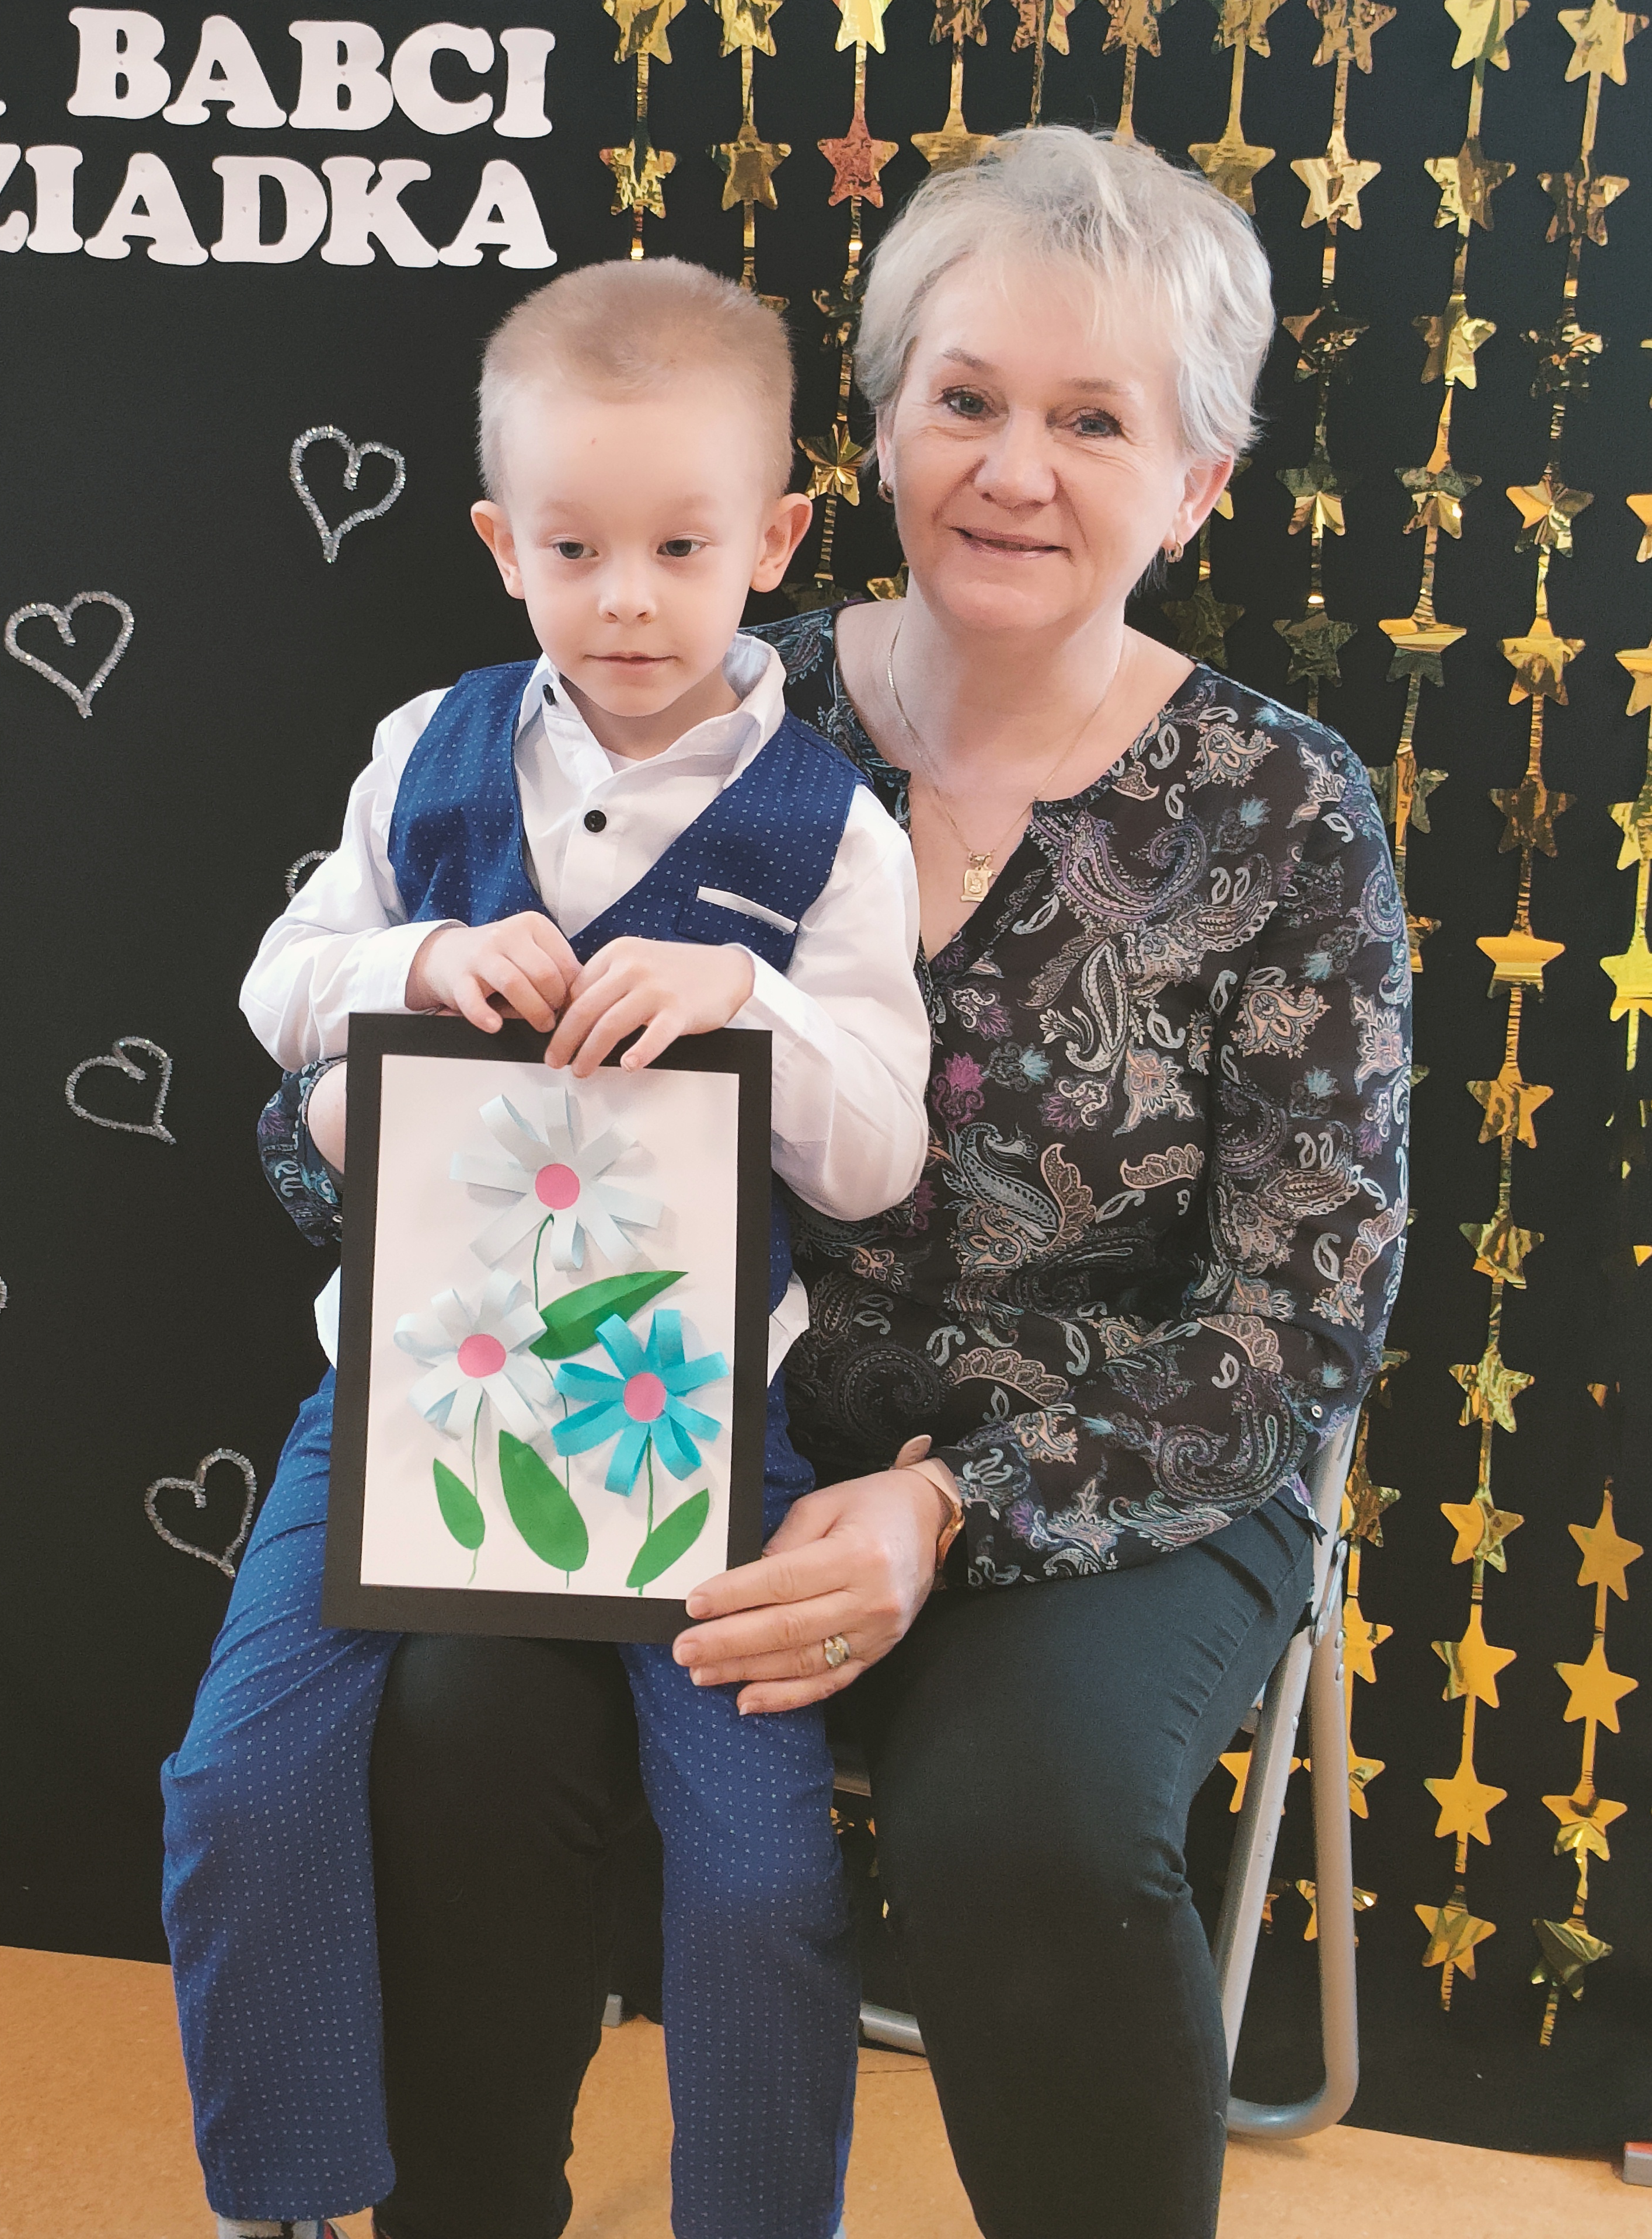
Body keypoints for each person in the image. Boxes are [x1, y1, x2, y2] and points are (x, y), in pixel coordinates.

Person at [280, 127, 1410, 2239]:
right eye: (962, 397)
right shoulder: (688, 689)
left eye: (1094, 422)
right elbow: (337, 1105)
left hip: (1094, 1482)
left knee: (1027, 1826)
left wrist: (943, 1504)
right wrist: (414, 1080)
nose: (1011, 468)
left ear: (1195, 486)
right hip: (670, 1433)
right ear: (873, 431)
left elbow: (1297, 1316)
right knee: (460, 1713)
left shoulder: (1278, 809)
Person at [161, 257, 932, 2239]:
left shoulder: (832, 831)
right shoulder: (427, 748)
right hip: (402, 1389)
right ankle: (292, 2192)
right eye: (574, 549)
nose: (627, 600)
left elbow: (876, 1160)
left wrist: (750, 1003)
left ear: (775, 541)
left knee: (754, 1879)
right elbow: (278, 988)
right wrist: (416, 961)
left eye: (682, 548)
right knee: (238, 1785)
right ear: (503, 545)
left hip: (700, 1429)